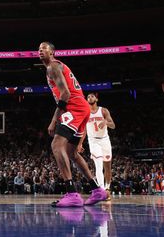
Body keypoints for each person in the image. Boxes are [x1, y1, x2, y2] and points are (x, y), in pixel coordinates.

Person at [39, 41, 108, 207]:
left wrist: (54, 119)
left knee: (56, 145)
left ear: (52, 52)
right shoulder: (55, 67)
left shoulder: (53, 67)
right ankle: (98, 190)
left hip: (75, 107)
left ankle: (72, 193)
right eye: (39, 49)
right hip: (82, 108)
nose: (40, 51)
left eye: (44, 48)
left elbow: (65, 93)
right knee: (72, 153)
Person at [77, 93, 115, 192]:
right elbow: (83, 130)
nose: (90, 98)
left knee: (107, 166)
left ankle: (107, 186)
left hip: (105, 140)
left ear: (96, 99)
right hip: (93, 141)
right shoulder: (85, 113)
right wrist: (80, 143)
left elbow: (113, 125)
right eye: (88, 97)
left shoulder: (103, 110)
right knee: (98, 164)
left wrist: (106, 122)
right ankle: (102, 189)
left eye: (92, 96)